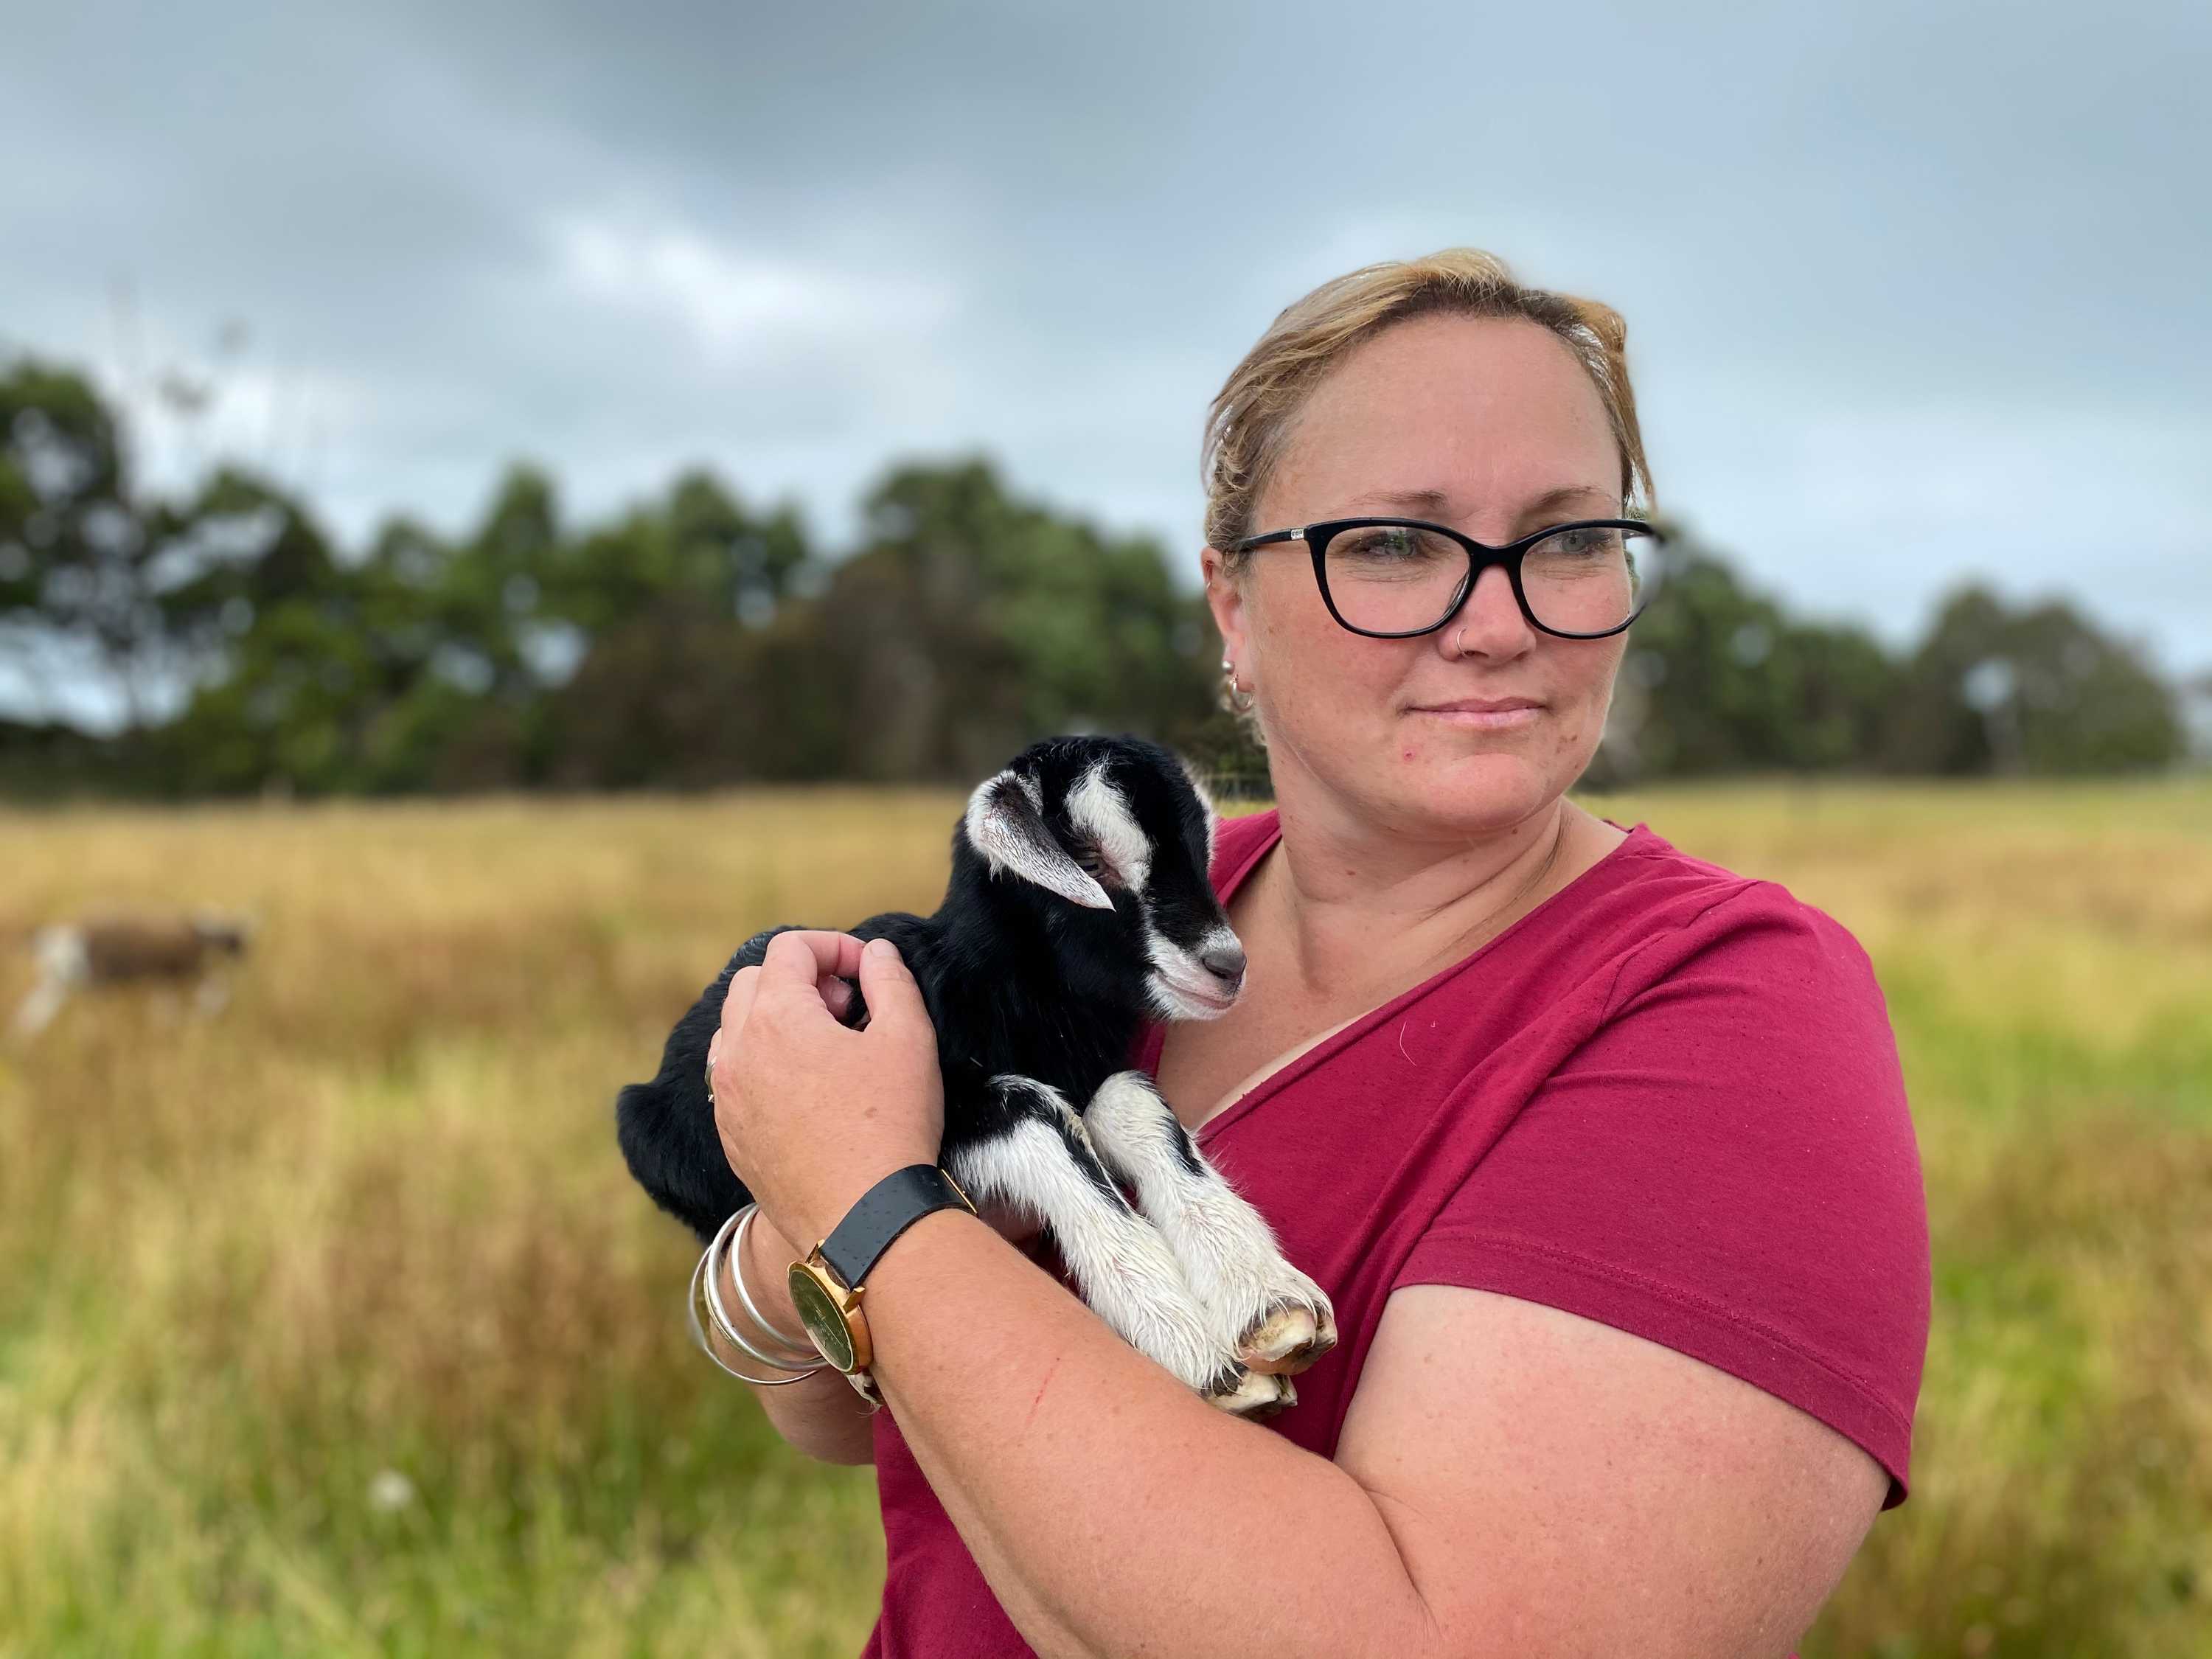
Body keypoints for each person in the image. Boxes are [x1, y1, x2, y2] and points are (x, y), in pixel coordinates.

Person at [698, 248, 1932, 1658]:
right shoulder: (1122, 905)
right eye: (1395, 545)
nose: (1500, 620)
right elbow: (845, 1409)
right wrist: (807, 1223)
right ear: (1234, 605)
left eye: (1570, 539)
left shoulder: (1724, 1003)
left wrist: (862, 1200)